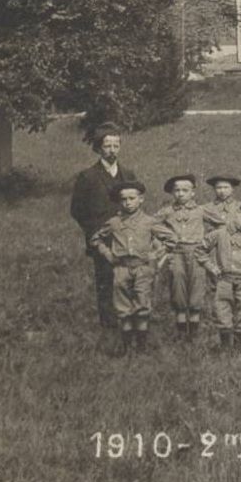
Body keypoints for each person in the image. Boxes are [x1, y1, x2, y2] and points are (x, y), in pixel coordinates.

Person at [69, 124, 136, 328]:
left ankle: (128, 320)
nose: (112, 150)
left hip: (127, 238)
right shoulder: (88, 176)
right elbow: (77, 210)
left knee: (128, 280)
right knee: (106, 281)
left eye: (116, 145)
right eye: (107, 146)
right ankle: (108, 325)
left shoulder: (128, 174)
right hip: (102, 239)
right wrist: (94, 231)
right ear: (99, 148)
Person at [92, 181, 165, 355]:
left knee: (142, 307)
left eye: (132, 198)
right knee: (123, 308)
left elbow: (169, 239)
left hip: (142, 269)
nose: (128, 203)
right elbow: (96, 239)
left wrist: (156, 253)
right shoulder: (114, 222)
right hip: (121, 269)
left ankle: (141, 348)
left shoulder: (149, 221)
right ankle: (126, 348)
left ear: (141, 199)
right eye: (123, 199)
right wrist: (108, 254)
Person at [154, 175, 210, 340]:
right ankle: (180, 334)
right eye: (177, 190)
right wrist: (164, 240)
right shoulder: (167, 211)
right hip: (176, 253)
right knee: (178, 290)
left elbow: (222, 225)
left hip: (197, 253)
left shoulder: (201, 210)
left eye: (185, 190)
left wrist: (209, 242)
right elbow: (149, 224)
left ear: (193, 193)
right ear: (172, 193)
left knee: (196, 291)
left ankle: (193, 335)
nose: (180, 194)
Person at [203, 204, 241, 350]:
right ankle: (225, 348)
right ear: (237, 213)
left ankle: (237, 349)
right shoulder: (219, 233)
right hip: (225, 279)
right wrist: (211, 267)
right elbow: (200, 250)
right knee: (222, 312)